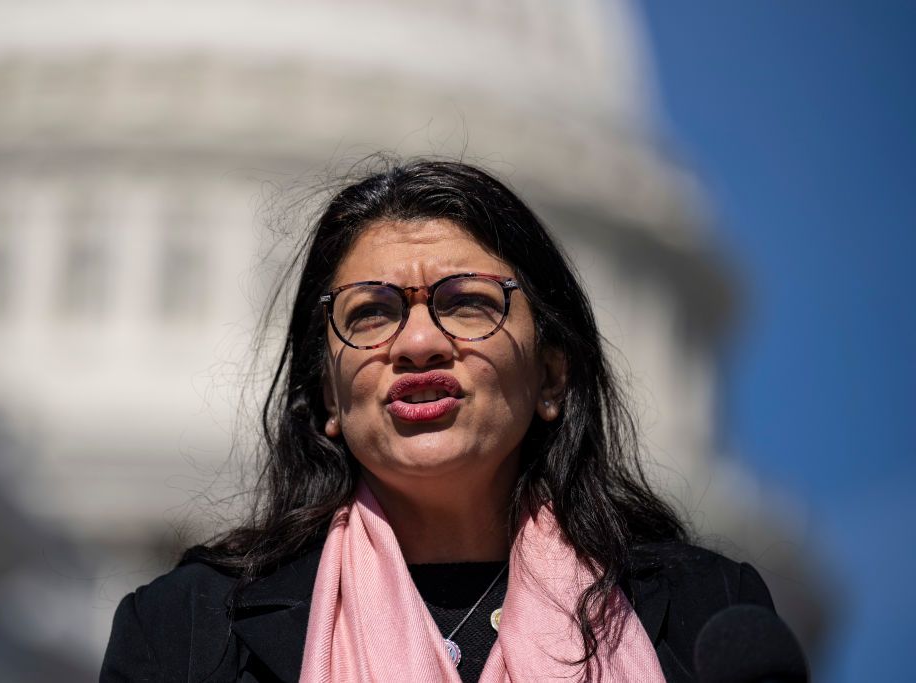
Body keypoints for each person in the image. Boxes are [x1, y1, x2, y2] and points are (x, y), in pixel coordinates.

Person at [101, 159, 779, 682]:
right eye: (369, 311)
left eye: (468, 303)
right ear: (329, 397)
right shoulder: (184, 635)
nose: (418, 342)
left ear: (550, 374)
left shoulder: (704, 614)